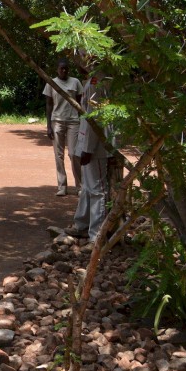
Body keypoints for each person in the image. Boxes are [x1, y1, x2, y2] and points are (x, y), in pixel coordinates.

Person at [66, 67, 112, 241]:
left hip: (95, 147)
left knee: (97, 190)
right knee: (87, 187)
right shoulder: (92, 80)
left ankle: (96, 236)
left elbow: (95, 117)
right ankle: (82, 224)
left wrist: (88, 148)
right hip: (88, 142)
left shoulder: (96, 82)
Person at [43, 59, 83, 197]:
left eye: (66, 68)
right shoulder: (51, 83)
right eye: (61, 69)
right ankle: (62, 186)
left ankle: (80, 186)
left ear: (69, 69)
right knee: (58, 155)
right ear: (57, 70)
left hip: (73, 121)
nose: (64, 71)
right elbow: (49, 104)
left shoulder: (75, 82)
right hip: (57, 121)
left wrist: (82, 120)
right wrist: (48, 125)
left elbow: (79, 101)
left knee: (74, 154)